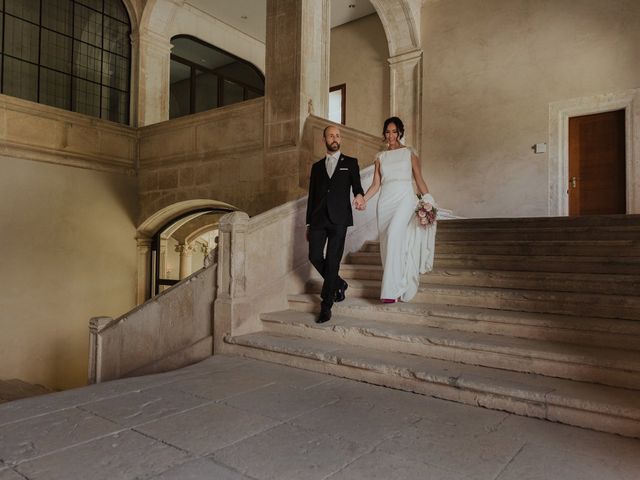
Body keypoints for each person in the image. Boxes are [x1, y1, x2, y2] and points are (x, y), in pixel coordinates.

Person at [361, 117, 437, 303]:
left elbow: (418, 178)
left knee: (395, 233)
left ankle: (390, 291)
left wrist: (427, 199)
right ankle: (397, 282)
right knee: (388, 243)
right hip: (385, 201)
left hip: (404, 198)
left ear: (400, 132)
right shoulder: (380, 157)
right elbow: (376, 185)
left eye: (394, 131)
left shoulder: (409, 153)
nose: (391, 135)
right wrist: (363, 198)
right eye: (387, 132)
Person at [306, 125, 365, 323]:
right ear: (324, 139)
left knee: (332, 261)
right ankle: (339, 283)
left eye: (338, 135)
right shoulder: (316, 167)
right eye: (331, 135)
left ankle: (326, 305)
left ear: (340, 139)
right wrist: (308, 224)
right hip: (318, 219)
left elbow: (357, 186)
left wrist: (358, 196)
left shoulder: (351, 163)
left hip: (339, 220)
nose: (335, 138)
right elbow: (312, 196)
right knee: (314, 256)